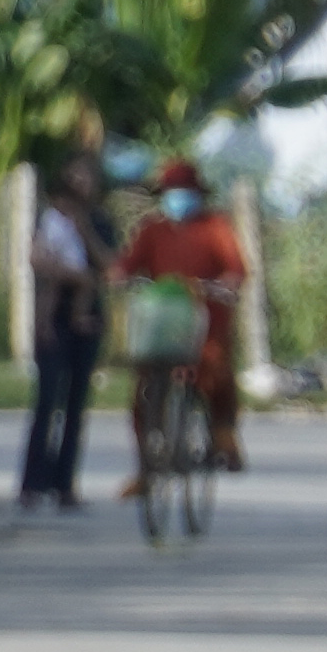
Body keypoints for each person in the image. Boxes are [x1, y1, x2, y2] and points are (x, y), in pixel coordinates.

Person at [112, 159, 250, 495]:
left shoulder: (215, 226)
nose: (179, 198)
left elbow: (235, 269)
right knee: (142, 392)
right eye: (173, 192)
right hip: (162, 323)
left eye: (184, 192)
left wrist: (225, 285)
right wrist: (119, 277)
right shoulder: (153, 229)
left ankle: (224, 436)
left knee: (216, 370)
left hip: (205, 322)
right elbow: (126, 265)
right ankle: (145, 467)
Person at [16, 155, 107, 510]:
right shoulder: (49, 218)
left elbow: (108, 264)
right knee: (46, 400)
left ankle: (64, 483)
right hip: (53, 318)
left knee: (75, 405)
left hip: (87, 320)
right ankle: (32, 483)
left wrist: (84, 229)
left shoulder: (98, 221)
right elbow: (37, 256)